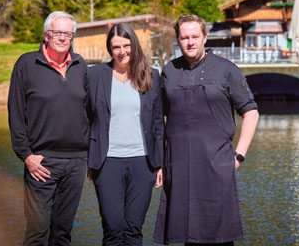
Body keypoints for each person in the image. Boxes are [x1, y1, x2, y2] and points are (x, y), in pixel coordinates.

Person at [154, 14, 260, 246]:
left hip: (216, 165)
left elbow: (251, 113)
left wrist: (239, 155)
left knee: (219, 236)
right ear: (178, 40)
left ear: (204, 37)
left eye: (194, 36)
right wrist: (159, 162)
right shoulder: (169, 71)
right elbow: (158, 119)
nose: (190, 42)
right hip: (178, 166)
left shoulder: (227, 70)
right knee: (187, 236)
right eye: (184, 37)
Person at [8, 11, 89, 246]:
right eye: (57, 32)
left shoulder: (80, 65)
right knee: (37, 231)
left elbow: (90, 111)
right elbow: (16, 113)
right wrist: (26, 155)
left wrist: (89, 156)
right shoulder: (27, 64)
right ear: (46, 34)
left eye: (68, 33)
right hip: (41, 162)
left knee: (62, 233)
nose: (63, 38)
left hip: (76, 162)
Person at [88, 23, 164, 245]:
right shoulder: (95, 75)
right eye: (116, 47)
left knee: (133, 230)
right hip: (107, 161)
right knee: (112, 229)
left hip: (143, 163)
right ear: (109, 49)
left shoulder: (151, 75)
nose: (122, 51)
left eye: (126, 45)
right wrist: (88, 159)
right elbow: (85, 118)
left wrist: (159, 164)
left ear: (134, 45)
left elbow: (158, 122)